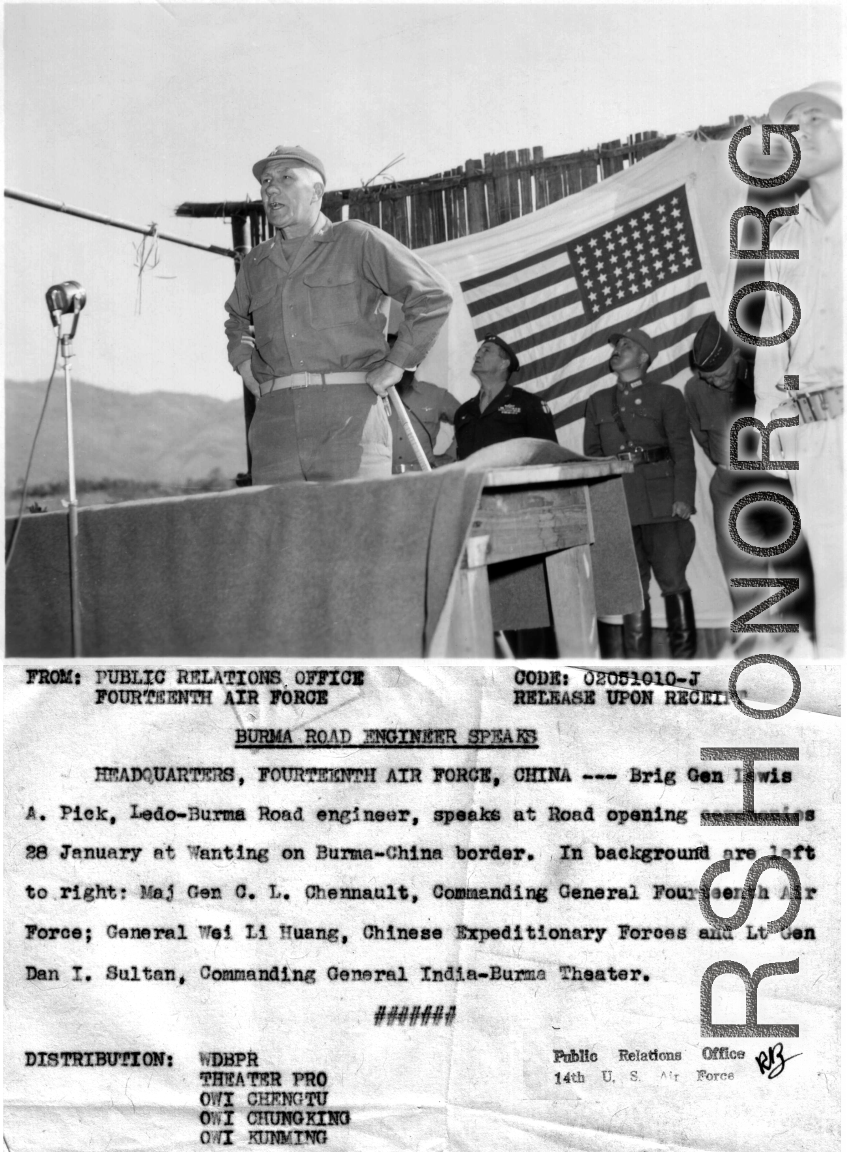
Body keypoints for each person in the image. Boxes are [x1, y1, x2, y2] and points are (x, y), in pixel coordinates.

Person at [224, 145, 453, 484]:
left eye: (286, 178)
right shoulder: (255, 263)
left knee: (354, 532)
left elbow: (432, 295)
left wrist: (396, 365)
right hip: (274, 425)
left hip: (350, 418)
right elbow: (236, 320)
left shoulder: (356, 239)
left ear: (317, 192)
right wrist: (244, 363)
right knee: (281, 534)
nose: (270, 188)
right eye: (266, 181)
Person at [752, 82, 842, 657]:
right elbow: (773, 349)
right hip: (811, 435)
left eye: (816, 118)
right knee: (833, 594)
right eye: (791, 126)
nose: (800, 133)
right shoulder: (785, 237)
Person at [583, 328, 697, 658]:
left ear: (644, 357)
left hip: (663, 501)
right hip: (619, 501)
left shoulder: (667, 396)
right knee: (632, 588)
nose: (618, 350)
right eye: (617, 346)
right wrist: (601, 507)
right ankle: (637, 671)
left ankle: (685, 666)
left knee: (674, 582)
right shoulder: (598, 402)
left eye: (627, 346)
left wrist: (683, 497)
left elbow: (682, 450)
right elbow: (592, 457)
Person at [454, 334, 557, 459]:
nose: (477, 355)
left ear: (504, 364)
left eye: (486, 350)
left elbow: (549, 457)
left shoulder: (529, 404)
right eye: (478, 351)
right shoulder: (464, 411)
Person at [389, 369, 460, 472]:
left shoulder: (435, 395)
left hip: (423, 477)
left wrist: (451, 455)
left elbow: (470, 422)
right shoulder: (371, 395)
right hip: (380, 478)